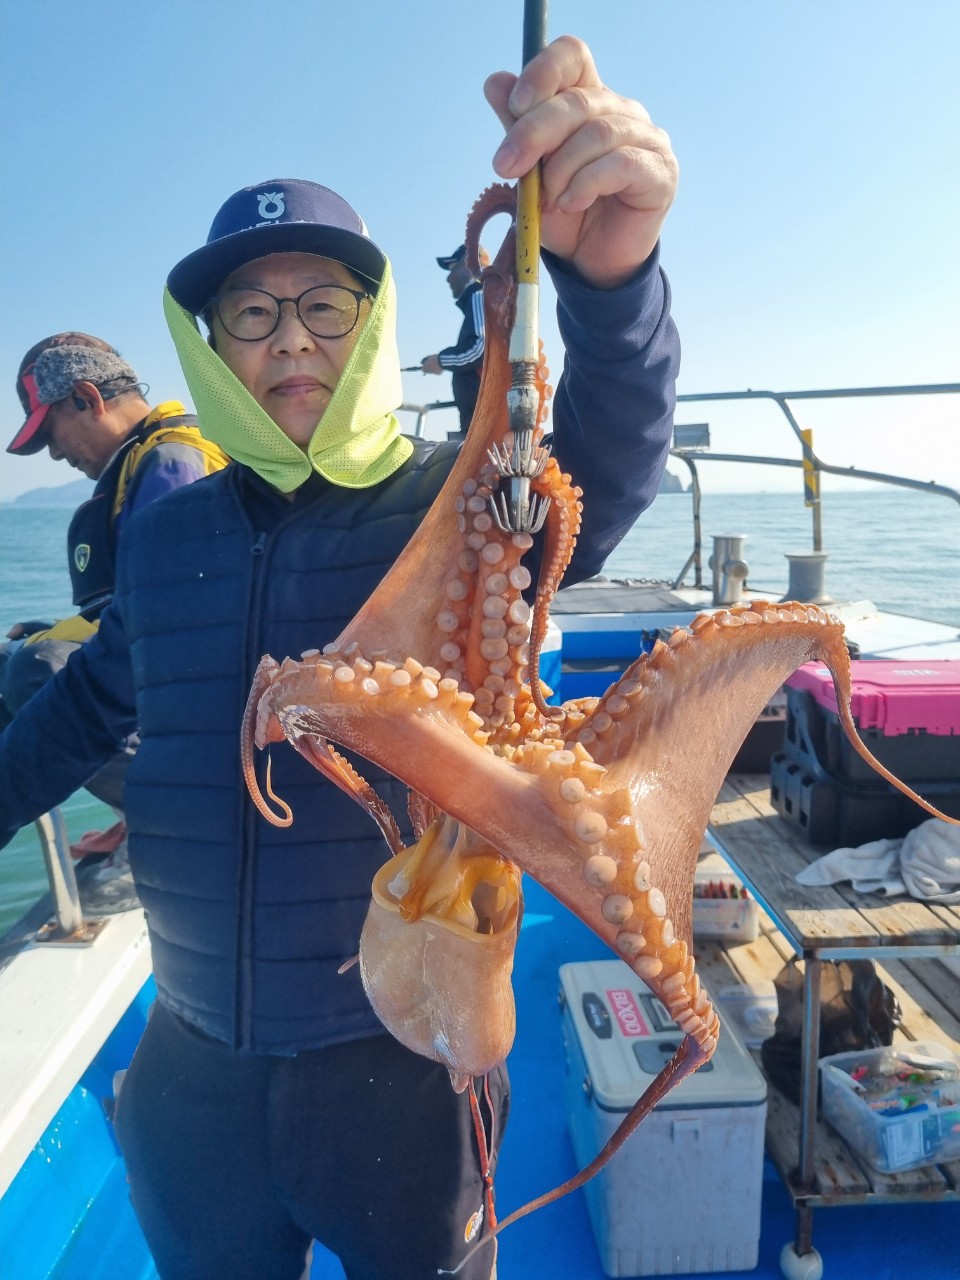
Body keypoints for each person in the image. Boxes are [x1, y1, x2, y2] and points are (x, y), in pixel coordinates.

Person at [0, 36, 680, 1280]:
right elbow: (81, 712)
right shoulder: (164, 537)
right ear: (211, 343)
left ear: (371, 327)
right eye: (251, 313)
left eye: (325, 304)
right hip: (192, 1071)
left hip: (403, 1068)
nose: (290, 340)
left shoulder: (458, 508)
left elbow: (610, 455)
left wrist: (615, 280)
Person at [0, 334, 228, 811]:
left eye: (50, 433)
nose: (54, 454)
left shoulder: (172, 464)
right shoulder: (146, 460)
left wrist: (48, 643)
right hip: (171, 682)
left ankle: (179, 810)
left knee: (35, 668)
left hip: (205, 700)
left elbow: (166, 618)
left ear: (87, 398)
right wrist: (57, 631)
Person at [420, 242, 489, 435]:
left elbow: (480, 348)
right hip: (481, 420)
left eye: (452, 269)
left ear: (469, 265)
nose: (448, 278)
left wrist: (440, 361)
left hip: (482, 422)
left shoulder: (478, 295)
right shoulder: (486, 295)